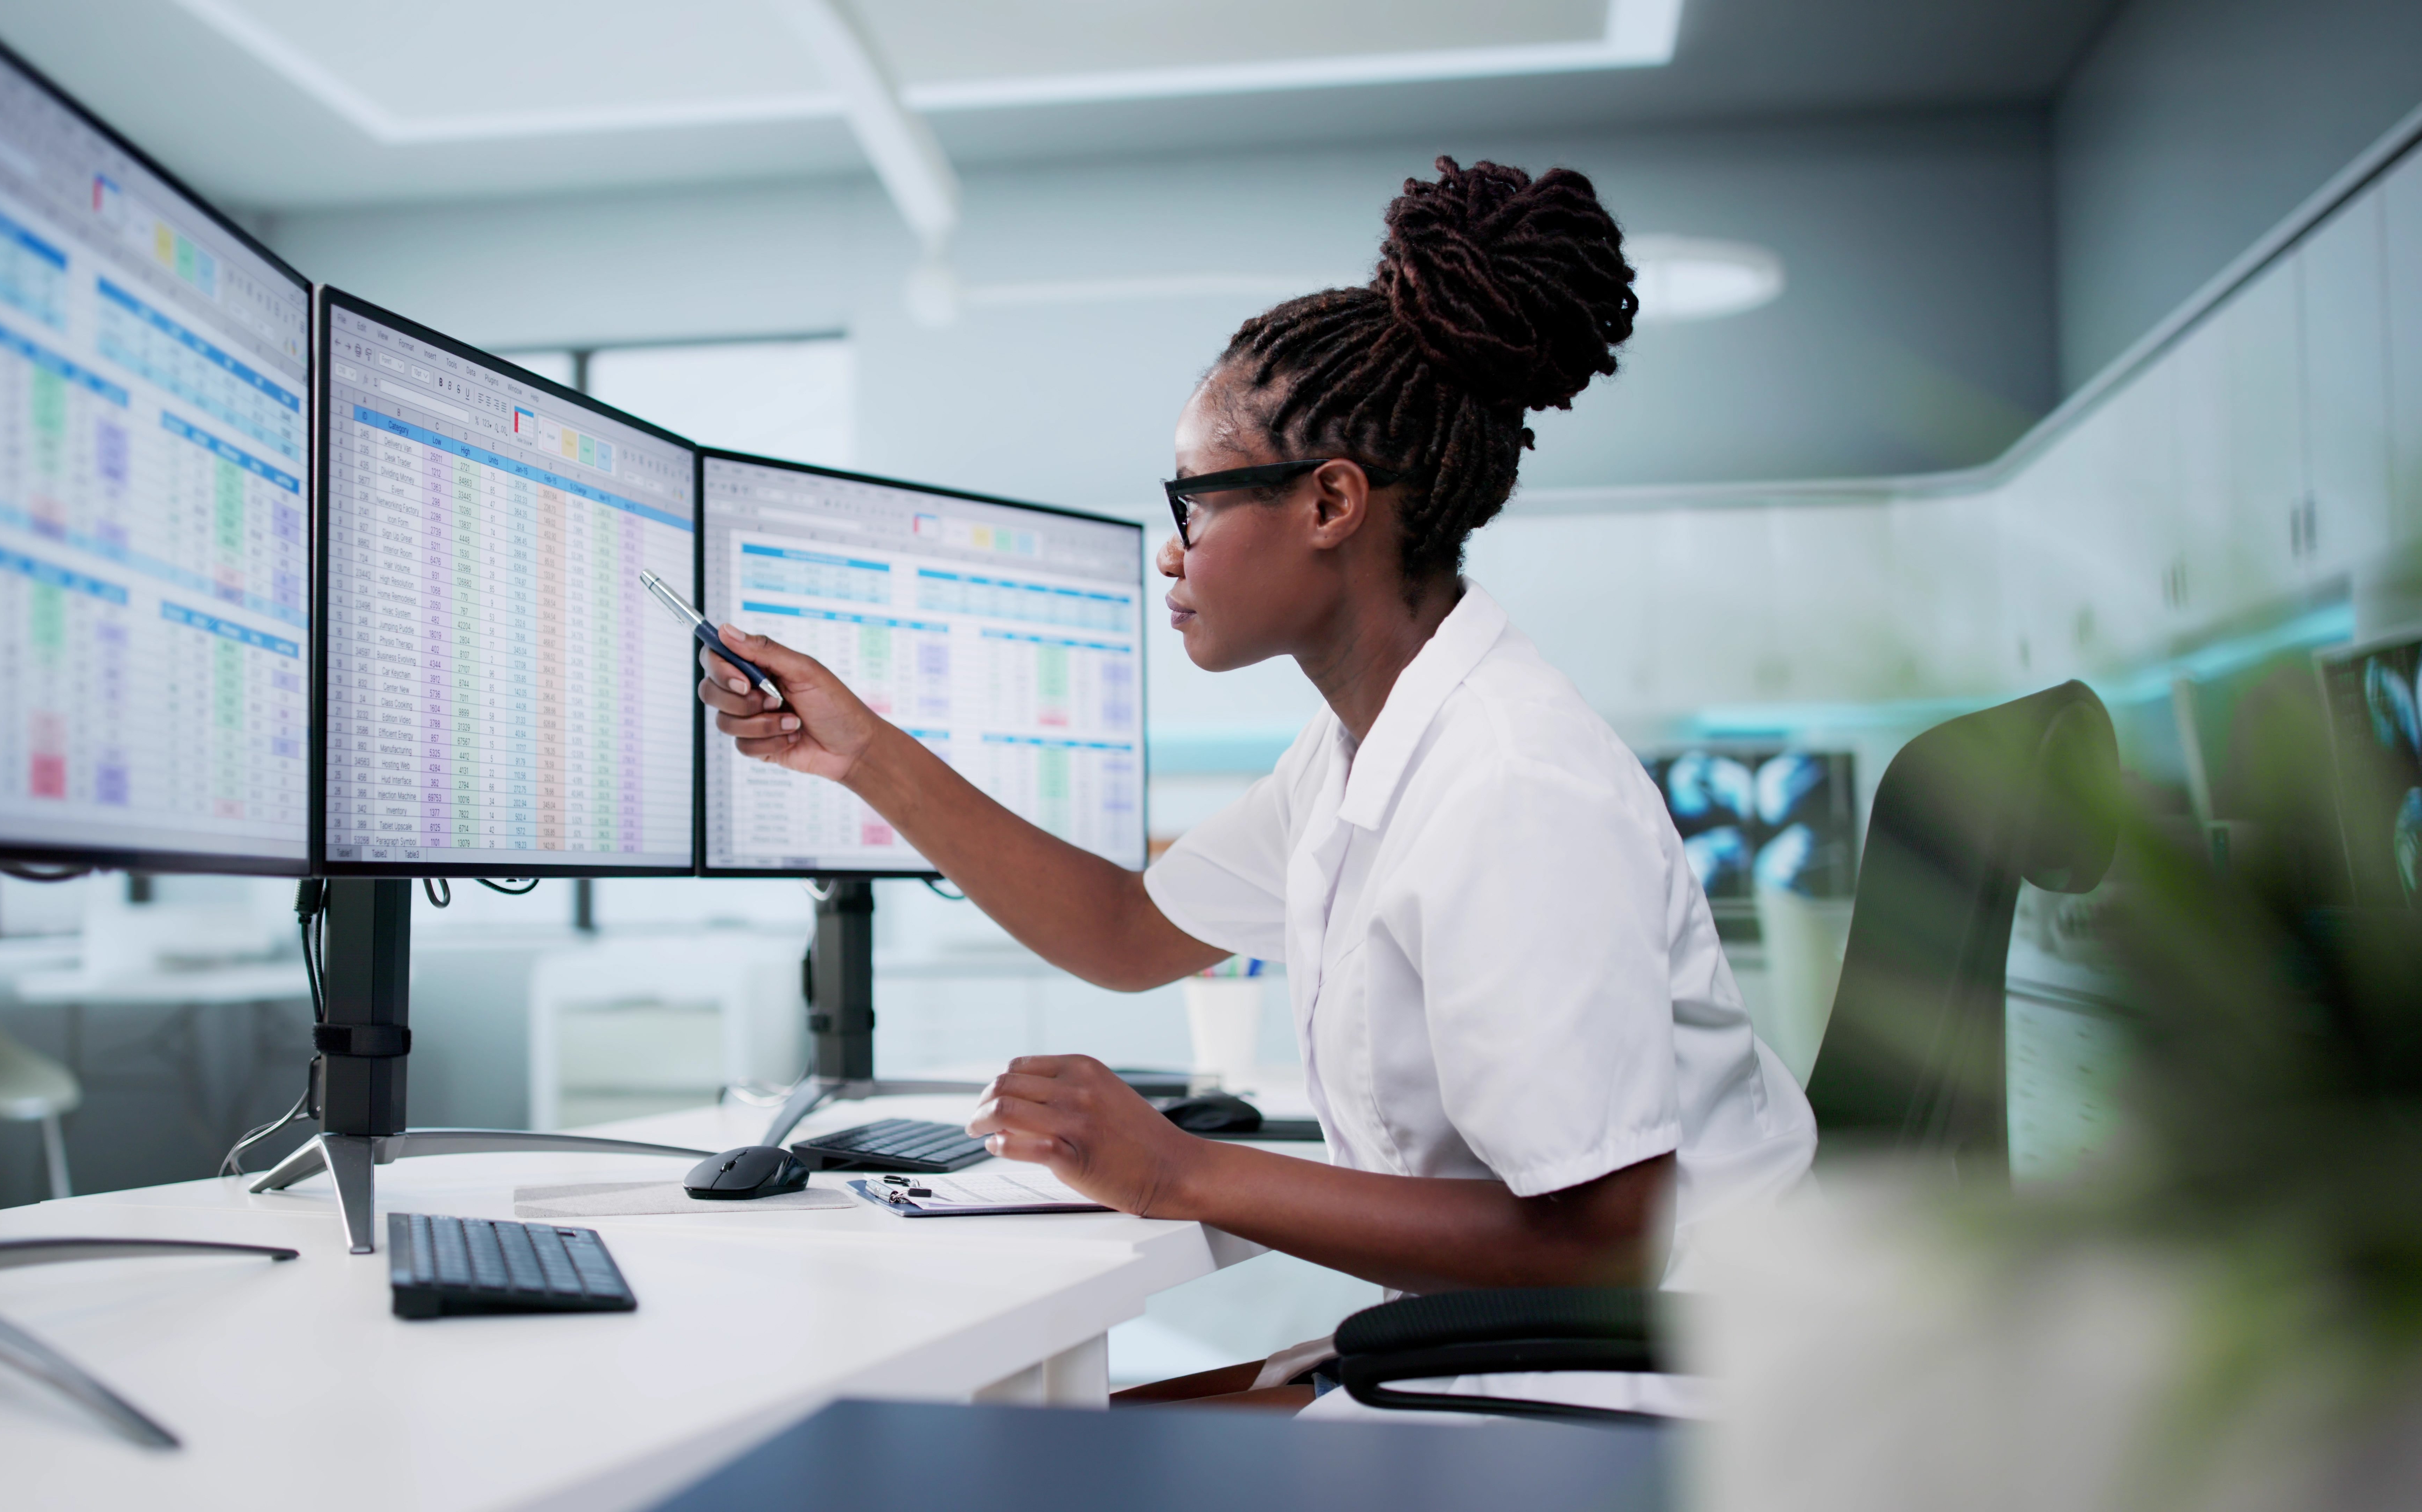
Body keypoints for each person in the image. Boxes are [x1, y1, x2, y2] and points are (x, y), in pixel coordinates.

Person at [694, 158, 1815, 1415]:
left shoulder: (1512, 784)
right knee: (1088, 1423)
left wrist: (1176, 1175)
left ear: (1331, 501)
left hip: (1647, 1387)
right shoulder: (1361, 747)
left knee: (1020, 1459)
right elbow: (1127, 932)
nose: (1171, 550)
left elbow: (1604, 1248)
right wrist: (860, 750)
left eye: (1193, 496)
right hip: (1494, 1340)